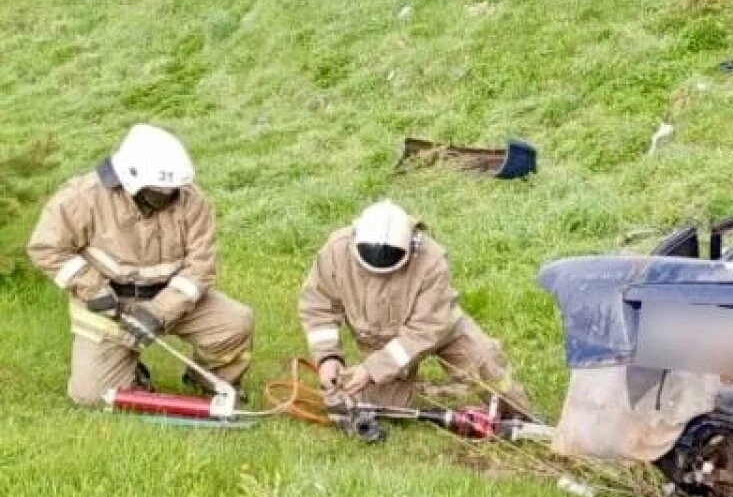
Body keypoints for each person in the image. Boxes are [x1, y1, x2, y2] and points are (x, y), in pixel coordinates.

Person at [27, 124, 254, 405]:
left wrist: (158, 313)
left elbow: (200, 268)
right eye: (159, 192)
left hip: (174, 300)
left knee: (235, 322)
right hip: (108, 304)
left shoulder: (193, 202)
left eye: (173, 190)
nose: (169, 196)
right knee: (90, 396)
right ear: (129, 181)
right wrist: (92, 289)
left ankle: (210, 381)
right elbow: (45, 247)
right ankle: (132, 375)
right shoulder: (82, 197)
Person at [299, 199, 532, 416]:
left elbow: (425, 331)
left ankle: (522, 416)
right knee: (380, 409)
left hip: (441, 330)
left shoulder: (432, 261)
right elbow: (317, 306)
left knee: (486, 368)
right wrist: (328, 357)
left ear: (412, 243)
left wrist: (373, 369)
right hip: (382, 340)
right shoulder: (335, 251)